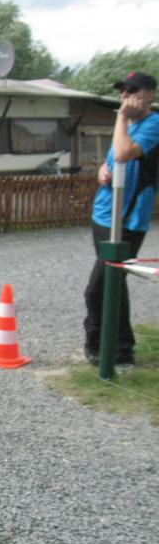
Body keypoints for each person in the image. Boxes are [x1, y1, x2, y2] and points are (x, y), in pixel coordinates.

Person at [83, 71, 159, 366]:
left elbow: (125, 153)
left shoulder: (153, 124)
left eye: (132, 90)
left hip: (128, 220)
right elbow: (113, 160)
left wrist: (121, 117)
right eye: (122, 91)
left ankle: (97, 344)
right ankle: (122, 348)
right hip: (104, 214)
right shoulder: (126, 126)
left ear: (149, 94)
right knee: (114, 281)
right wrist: (102, 171)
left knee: (97, 289)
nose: (125, 96)